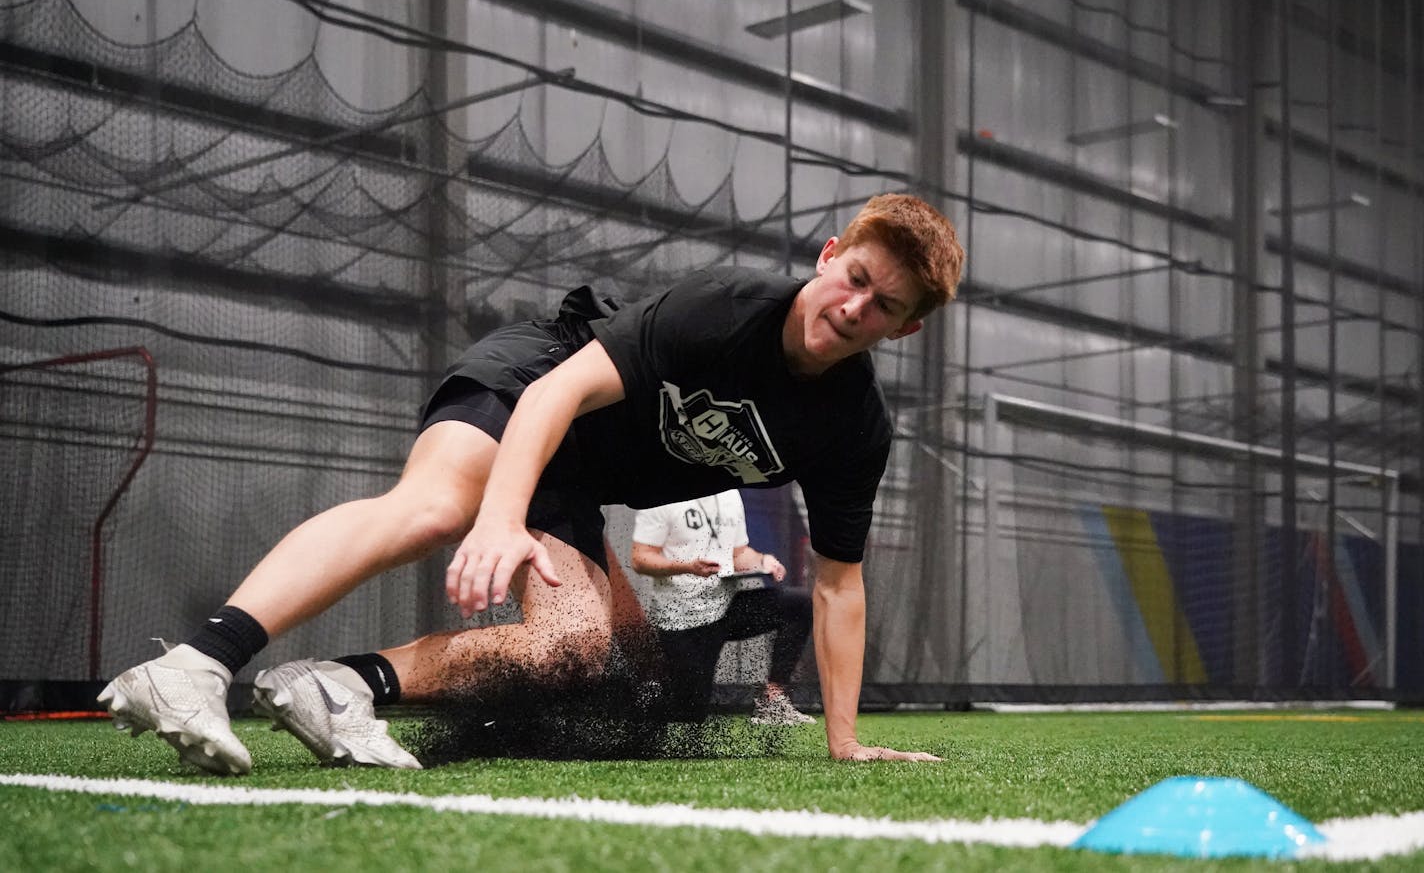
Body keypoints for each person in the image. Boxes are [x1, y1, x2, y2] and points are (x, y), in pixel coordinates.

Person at [99, 193, 965, 773]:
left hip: (578, 473)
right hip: (539, 382)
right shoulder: (724, 310)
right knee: (436, 505)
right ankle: (195, 664)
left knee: (597, 656)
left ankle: (337, 685)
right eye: (855, 279)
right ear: (829, 257)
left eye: (884, 305)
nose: (855, 308)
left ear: (906, 327)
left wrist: (846, 741)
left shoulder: (854, 428)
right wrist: (499, 519)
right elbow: (558, 394)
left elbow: (842, 585)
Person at [627, 490, 815, 726]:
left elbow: (739, 553)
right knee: (688, 714)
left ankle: (772, 700)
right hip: (681, 619)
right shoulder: (661, 493)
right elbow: (641, 558)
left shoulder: (729, 493)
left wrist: (762, 560)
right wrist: (687, 567)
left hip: (725, 608)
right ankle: (647, 695)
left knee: (799, 605)